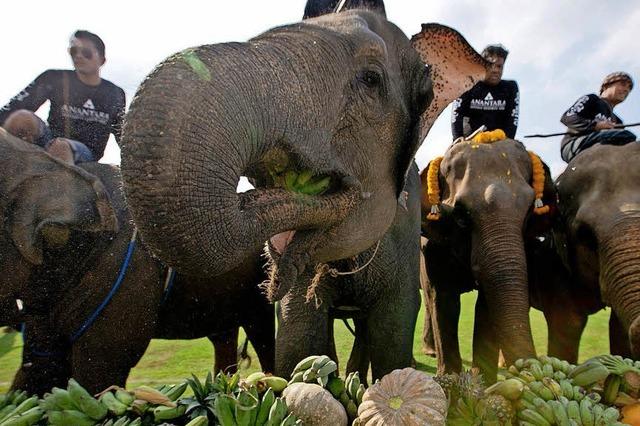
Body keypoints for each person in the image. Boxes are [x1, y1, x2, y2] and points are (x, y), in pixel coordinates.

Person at [0, 30, 125, 164]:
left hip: (86, 152)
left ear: (102, 59)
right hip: (49, 138)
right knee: (21, 118)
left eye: (86, 53)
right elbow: (15, 106)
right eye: (74, 51)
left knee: (61, 146)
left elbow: (123, 135)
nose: (79, 56)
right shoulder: (54, 78)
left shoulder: (115, 93)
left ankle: (61, 183)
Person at [559, 72, 635, 163]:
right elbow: (567, 117)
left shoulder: (618, 121)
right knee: (626, 136)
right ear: (606, 86)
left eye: (629, 88)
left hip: (604, 149)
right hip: (574, 145)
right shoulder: (592, 99)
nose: (627, 89)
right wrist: (595, 125)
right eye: (623, 84)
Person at [451, 44, 519, 140]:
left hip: (500, 139)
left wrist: (508, 140)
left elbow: (513, 118)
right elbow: (457, 113)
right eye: (491, 65)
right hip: (470, 138)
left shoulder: (510, 87)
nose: (496, 70)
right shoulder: (467, 85)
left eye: (499, 66)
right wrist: (458, 137)